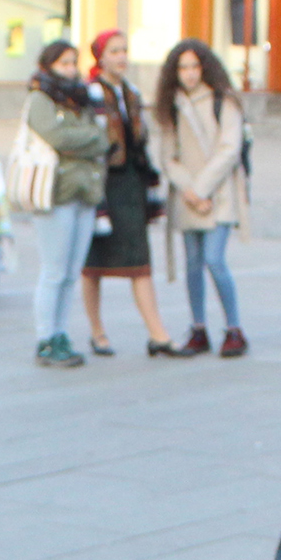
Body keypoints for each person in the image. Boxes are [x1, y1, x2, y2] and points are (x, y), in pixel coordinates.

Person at [79, 29, 178, 357]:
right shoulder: (90, 92)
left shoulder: (132, 92)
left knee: (139, 259)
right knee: (93, 263)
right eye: (114, 51)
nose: (121, 57)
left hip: (132, 183)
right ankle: (97, 332)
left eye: (124, 51)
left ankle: (158, 335)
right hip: (102, 184)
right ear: (101, 57)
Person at [158, 38, 250, 358]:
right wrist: (189, 189)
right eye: (183, 67)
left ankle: (234, 328)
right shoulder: (171, 105)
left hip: (219, 193)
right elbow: (168, 156)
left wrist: (203, 189)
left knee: (214, 258)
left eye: (195, 66)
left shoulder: (224, 101)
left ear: (206, 66)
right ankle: (198, 328)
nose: (190, 74)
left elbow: (229, 149)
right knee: (193, 264)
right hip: (188, 195)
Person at [24, 39, 107, 367]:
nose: (70, 70)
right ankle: (45, 338)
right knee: (54, 270)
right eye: (63, 64)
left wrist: (82, 141)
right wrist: (87, 140)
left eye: (73, 63)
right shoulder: (40, 98)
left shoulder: (81, 99)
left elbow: (102, 137)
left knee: (72, 272)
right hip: (54, 193)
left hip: (85, 191)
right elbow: (56, 137)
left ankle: (60, 332)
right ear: (47, 67)